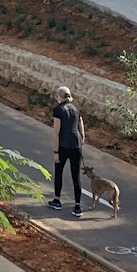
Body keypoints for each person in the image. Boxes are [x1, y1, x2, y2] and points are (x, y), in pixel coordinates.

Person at [49, 85, 86, 217]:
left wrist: (56, 152)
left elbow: (56, 132)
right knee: (76, 177)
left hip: (63, 146)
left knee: (59, 173)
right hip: (76, 146)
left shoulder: (58, 110)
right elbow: (82, 131)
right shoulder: (76, 109)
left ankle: (57, 200)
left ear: (59, 97)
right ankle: (77, 206)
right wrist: (80, 144)